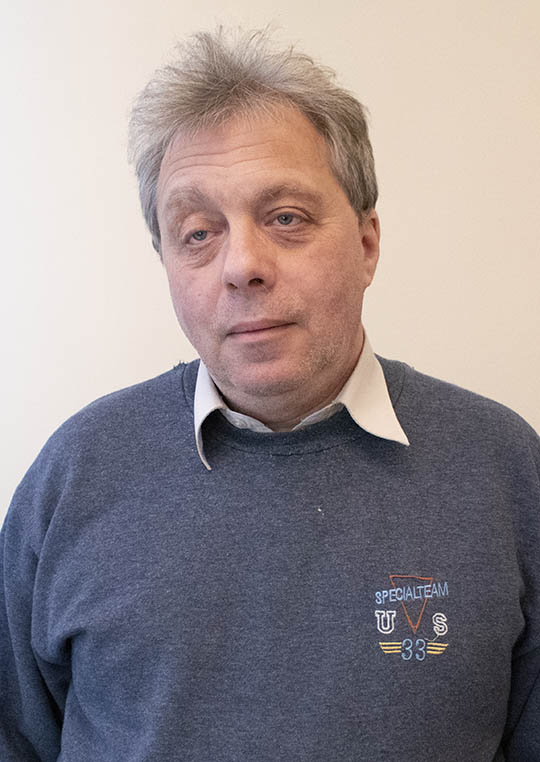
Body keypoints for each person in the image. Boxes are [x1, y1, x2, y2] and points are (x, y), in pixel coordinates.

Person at [1, 28, 539, 762]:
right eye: (198, 233)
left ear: (367, 243)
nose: (242, 265)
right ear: (166, 262)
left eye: (286, 218)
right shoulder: (74, 475)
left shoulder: (504, 470)